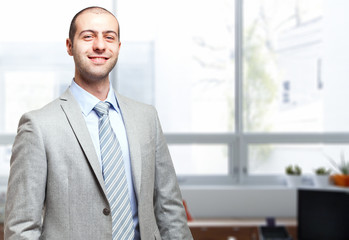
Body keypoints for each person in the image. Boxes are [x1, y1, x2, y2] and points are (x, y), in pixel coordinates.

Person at [4, 6, 193, 240]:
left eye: (109, 37)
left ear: (118, 48)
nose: (100, 45)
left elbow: (169, 210)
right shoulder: (38, 126)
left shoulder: (146, 118)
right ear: (69, 46)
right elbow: (22, 228)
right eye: (88, 36)